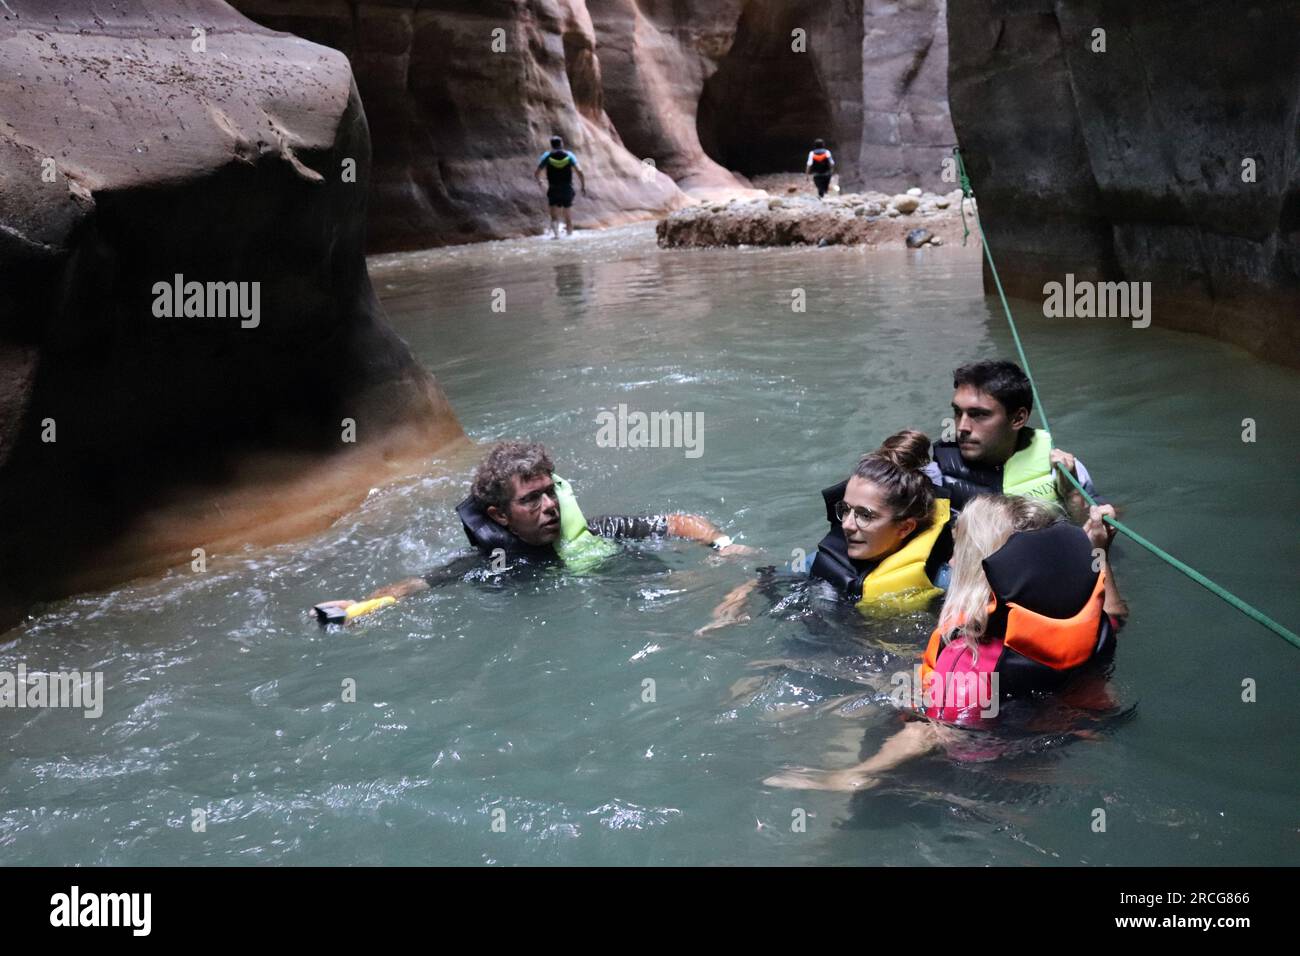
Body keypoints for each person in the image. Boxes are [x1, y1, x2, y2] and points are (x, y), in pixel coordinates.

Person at [763, 494, 1127, 791]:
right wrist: (1099, 552)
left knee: (852, 710)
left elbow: (933, 732)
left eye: (960, 547)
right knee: (882, 680)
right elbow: (1115, 614)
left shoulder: (971, 655)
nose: (952, 558)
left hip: (990, 773)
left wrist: (857, 774)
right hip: (1072, 734)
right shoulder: (1083, 615)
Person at [313, 441, 748, 624]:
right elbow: (417, 584)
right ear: (499, 516)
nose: (549, 506)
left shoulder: (595, 530)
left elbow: (678, 521)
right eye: (531, 500)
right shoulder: (495, 562)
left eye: (550, 493)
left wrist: (722, 545)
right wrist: (362, 606)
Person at [697, 430, 952, 634]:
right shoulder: (831, 557)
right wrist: (735, 601)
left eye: (865, 515)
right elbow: (769, 577)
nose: (848, 525)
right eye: (846, 509)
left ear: (905, 527)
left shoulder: (940, 579)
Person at [929, 359, 1100, 523]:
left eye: (979, 414)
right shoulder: (935, 476)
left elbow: (1091, 528)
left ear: (1018, 418)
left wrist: (1072, 494)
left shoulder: (1063, 471)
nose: (962, 427)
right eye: (958, 412)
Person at [534, 135, 586, 238]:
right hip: (567, 189)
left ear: (551, 145)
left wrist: (539, 180)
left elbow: (537, 172)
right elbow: (580, 171)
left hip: (553, 189)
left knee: (554, 217)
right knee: (568, 216)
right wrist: (583, 186)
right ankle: (569, 236)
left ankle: (556, 236)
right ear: (561, 144)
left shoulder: (547, 156)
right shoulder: (569, 155)